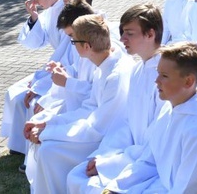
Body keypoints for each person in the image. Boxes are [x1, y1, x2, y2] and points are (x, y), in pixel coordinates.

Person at [105, 42, 197, 193]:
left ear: (188, 81)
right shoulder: (169, 109)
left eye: (164, 76)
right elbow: (149, 161)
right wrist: (116, 188)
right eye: (158, 72)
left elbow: (191, 189)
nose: (156, 81)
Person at [25, 14, 134, 193]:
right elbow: (88, 108)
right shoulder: (104, 64)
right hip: (97, 129)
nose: (72, 45)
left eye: (73, 41)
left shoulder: (115, 75)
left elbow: (98, 128)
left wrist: (48, 132)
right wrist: (48, 124)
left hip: (109, 139)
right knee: (47, 145)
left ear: (86, 46)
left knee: (49, 150)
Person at [66, 4, 164, 193]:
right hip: (131, 154)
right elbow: (128, 122)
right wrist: (103, 156)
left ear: (150, 34)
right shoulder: (137, 70)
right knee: (76, 177)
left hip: (152, 163)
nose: (121, 39)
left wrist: (111, 164)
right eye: (121, 32)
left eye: (129, 33)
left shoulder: (165, 77)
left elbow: (157, 138)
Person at [0, 0, 66, 157]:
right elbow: (35, 42)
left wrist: (41, 82)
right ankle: (17, 143)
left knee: (27, 98)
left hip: (62, 68)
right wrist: (34, 17)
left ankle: (24, 144)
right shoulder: (50, 11)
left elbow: (66, 53)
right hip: (53, 66)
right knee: (13, 92)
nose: (35, 2)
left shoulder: (66, 12)